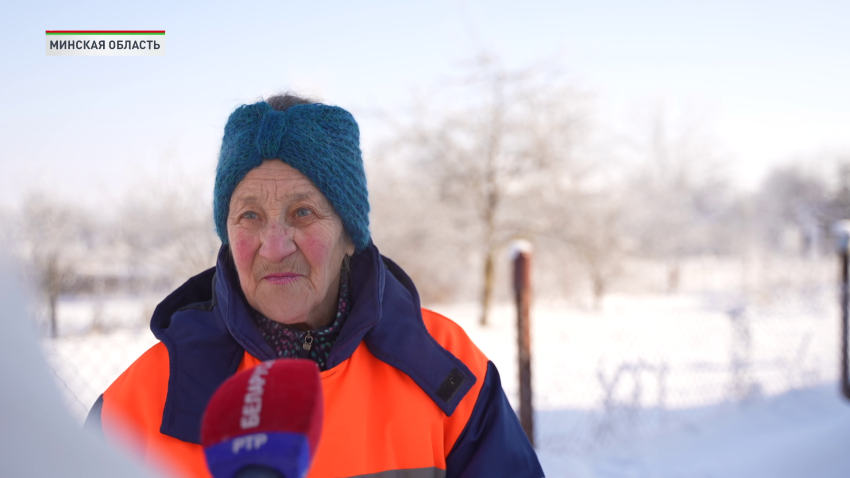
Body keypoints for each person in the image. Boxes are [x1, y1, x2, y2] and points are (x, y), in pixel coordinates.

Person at [86, 93, 545, 478]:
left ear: (350, 235)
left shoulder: (443, 370)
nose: (274, 245)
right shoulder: (143, 402)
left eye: (302, 212)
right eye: (249, 216)